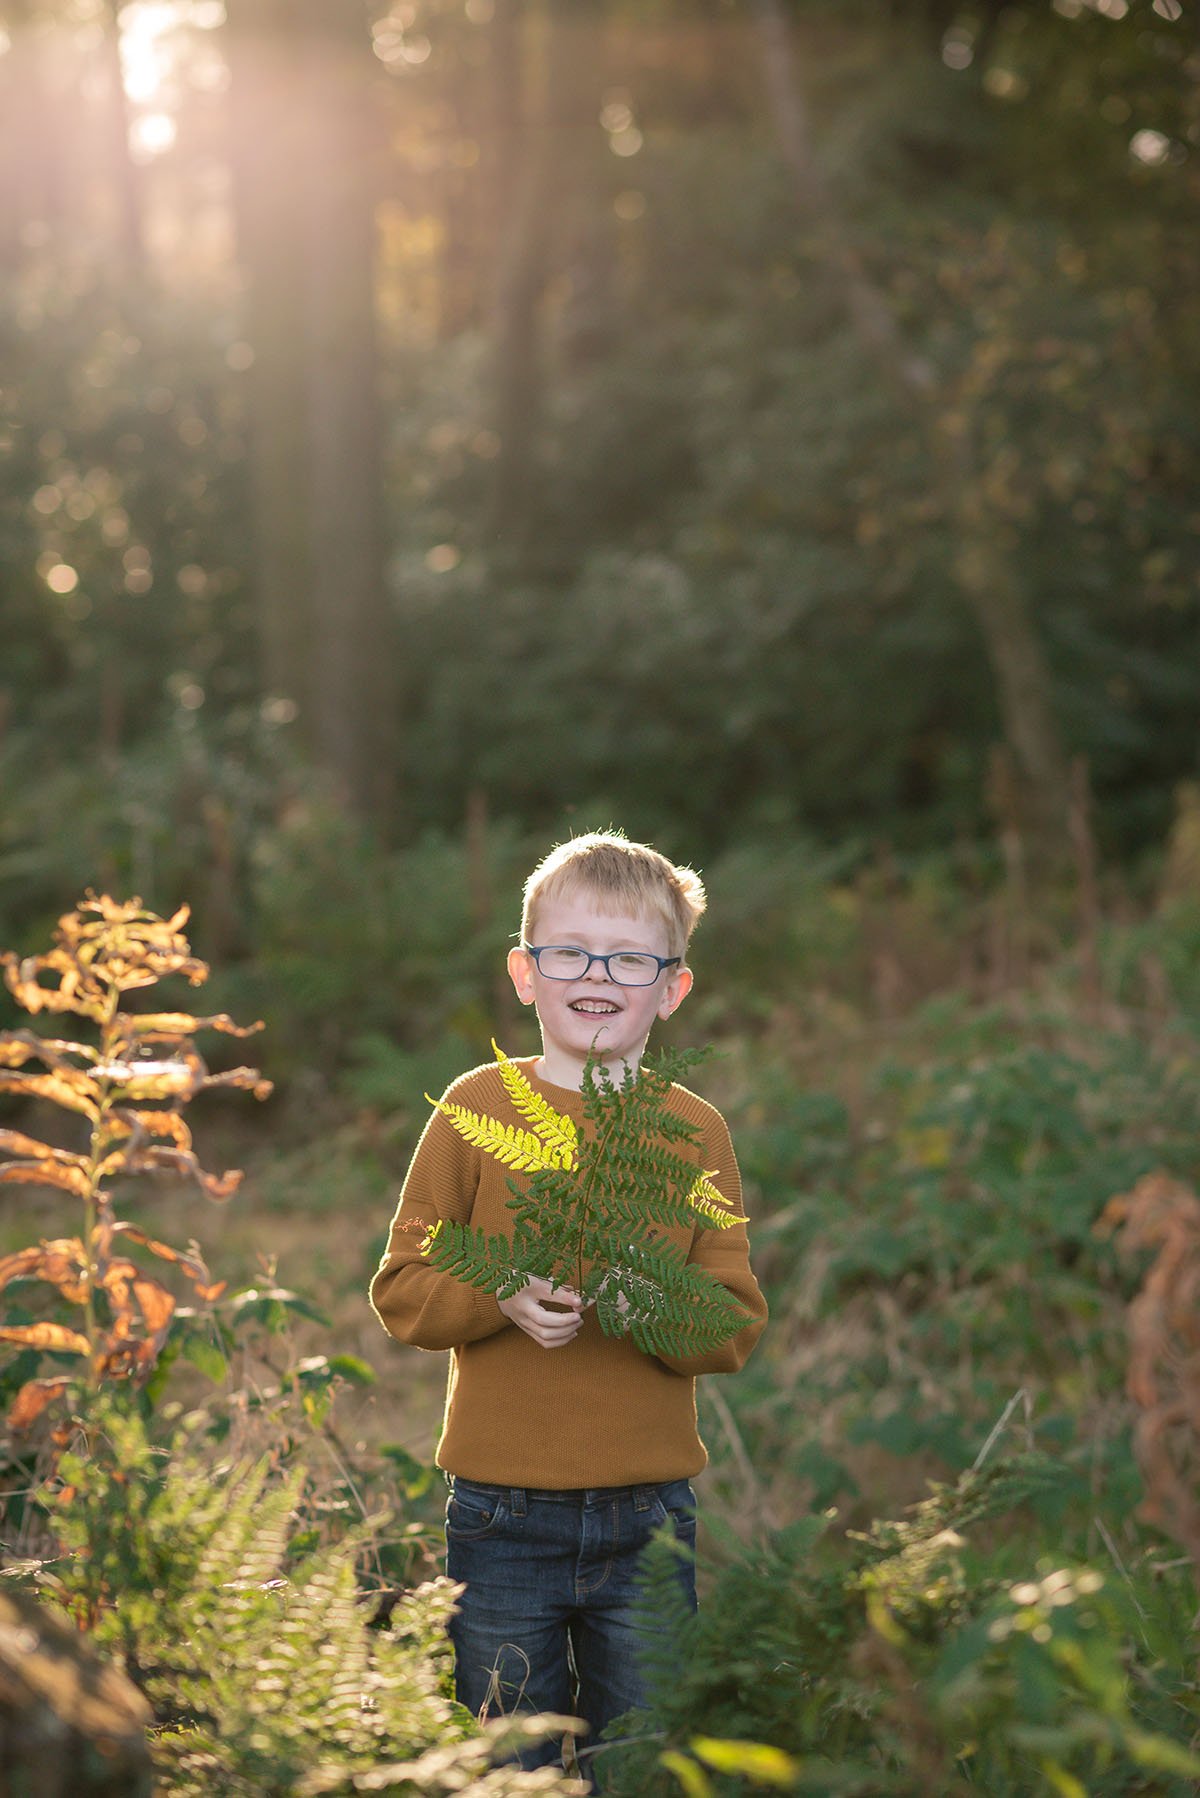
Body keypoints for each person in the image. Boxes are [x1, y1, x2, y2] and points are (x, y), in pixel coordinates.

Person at [369, 831, 768, 1788]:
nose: (598, 976)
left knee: (648, 1759)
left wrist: (656, 1305)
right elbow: (403, 1291)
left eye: (631, 958)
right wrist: (498, 1294)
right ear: (525, 972)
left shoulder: (692, 1131)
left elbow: (735, 1321)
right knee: (514, 1757)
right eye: (570, 953)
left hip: (650, 1513)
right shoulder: (475, 1110)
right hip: (501, 1511)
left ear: (671, 988)